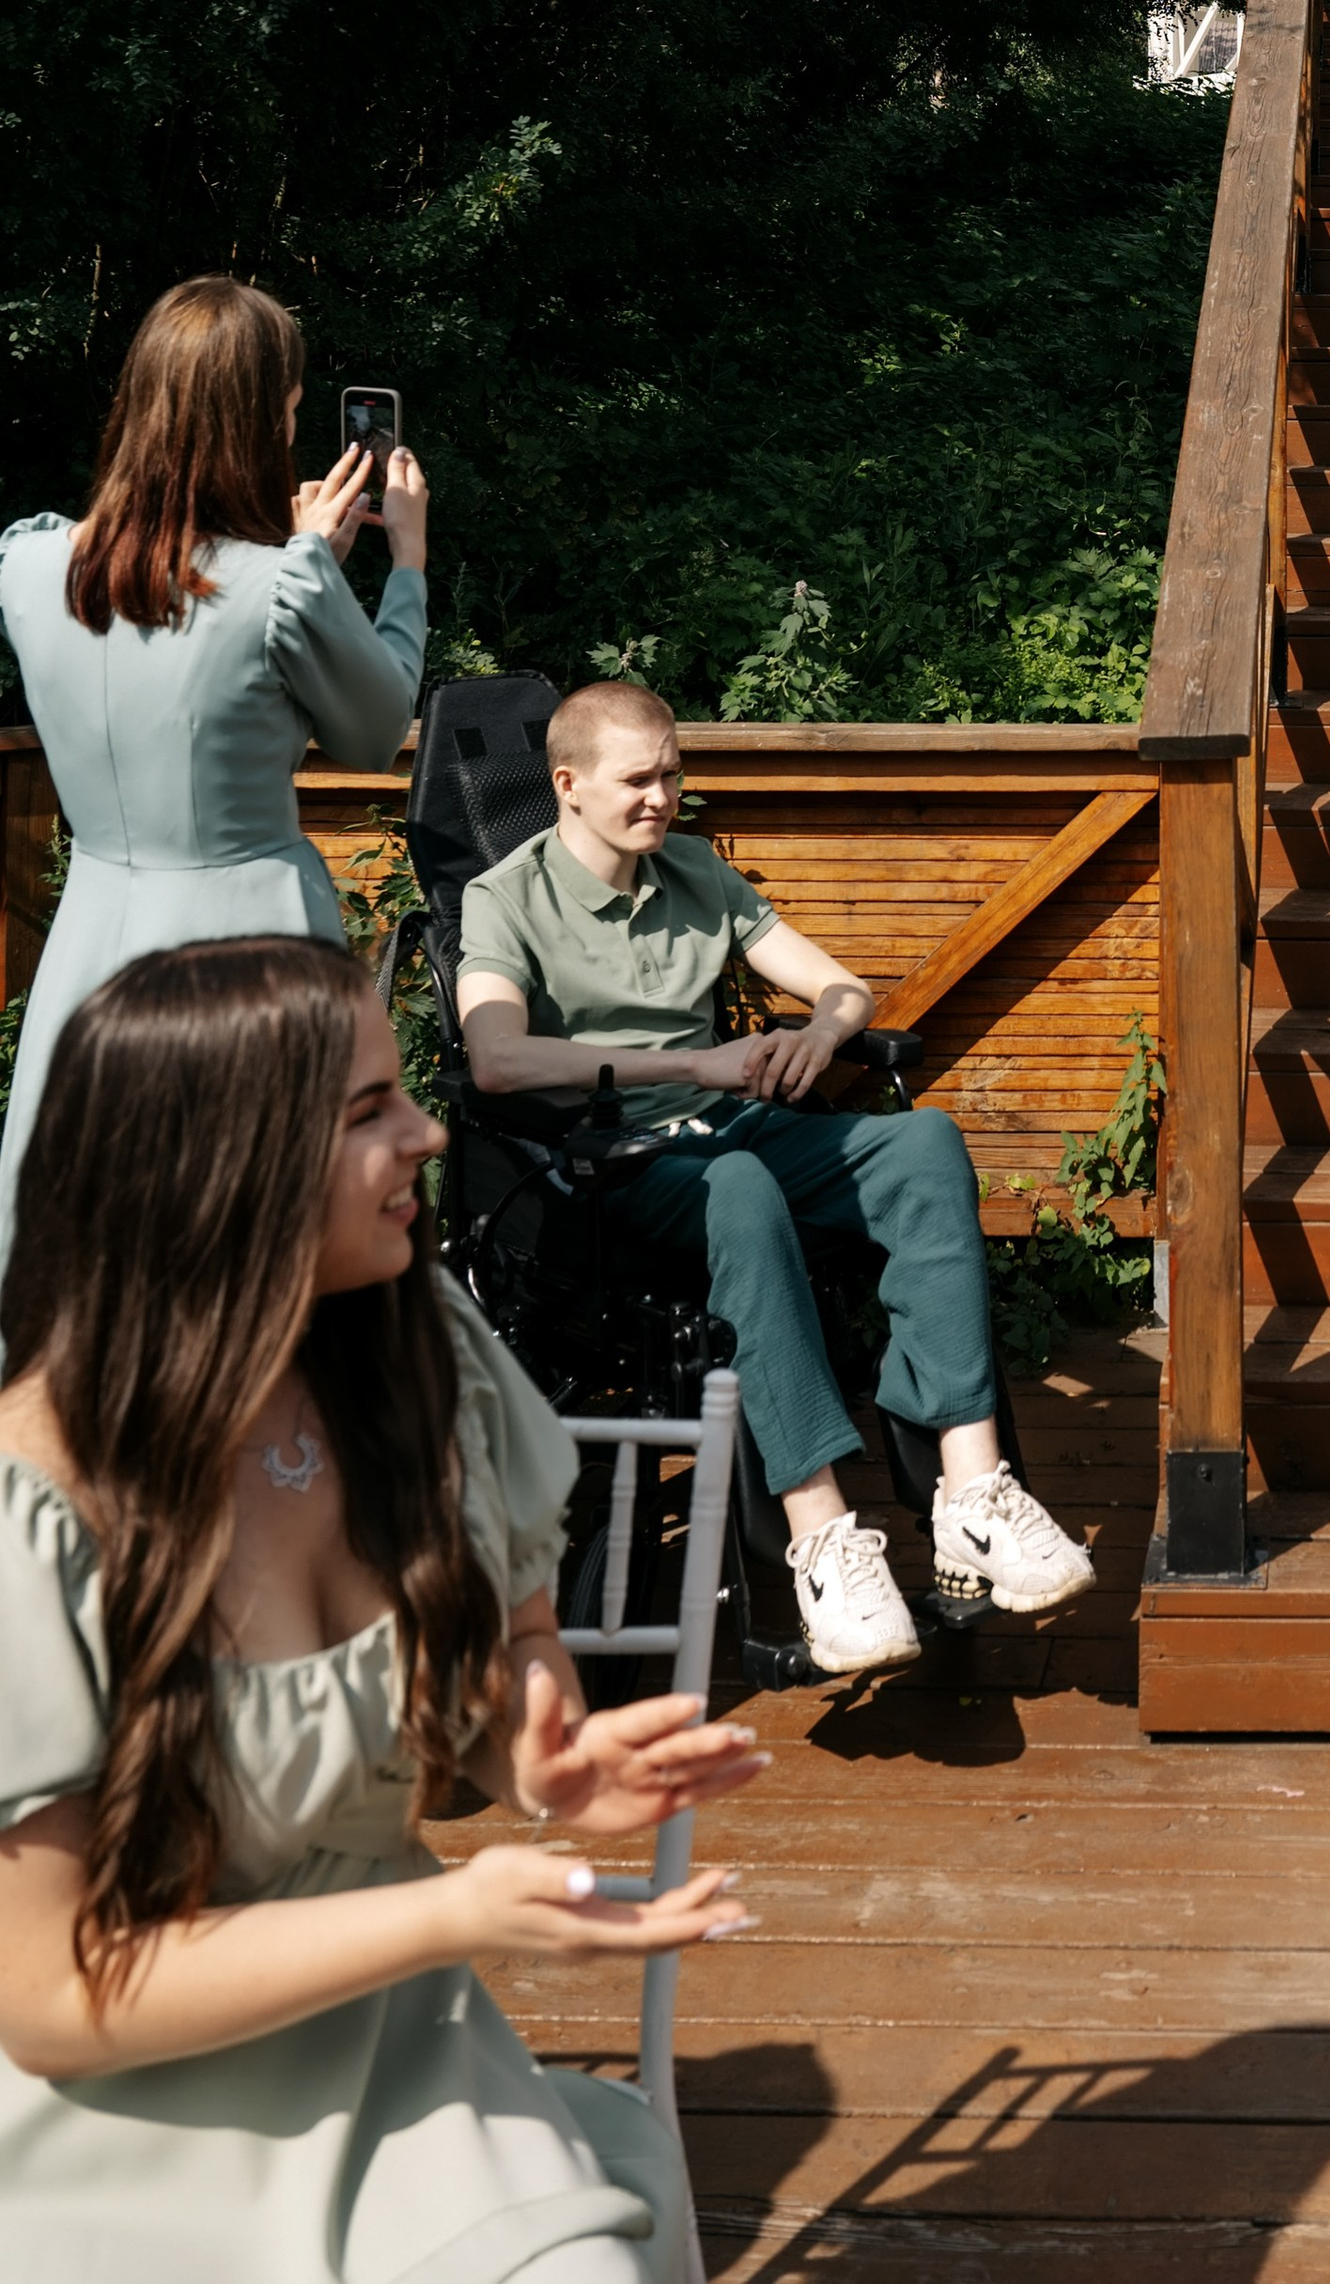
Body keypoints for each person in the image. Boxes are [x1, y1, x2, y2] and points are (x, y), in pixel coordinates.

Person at [0, 937, 762, 2284]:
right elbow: (56, 2001)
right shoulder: (32, 1511)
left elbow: (512, 1651)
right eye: (367, 1111)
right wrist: (454, 1915)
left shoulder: (425, 1360)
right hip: (108, 2118)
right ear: (218, 1168)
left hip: (395, 2049)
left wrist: (544, 1753)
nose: (425, 1133)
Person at [455, 680, 1095, 1685]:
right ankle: (823, 1540)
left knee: (922, 1141)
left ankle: (971, 1495)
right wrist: (692, 1065)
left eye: (671, 773)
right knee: (742, 1183)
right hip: (602, 1167)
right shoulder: (506, 895)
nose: (662, 796)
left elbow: (842, 984)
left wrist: (823, 1032)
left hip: (732, 1128)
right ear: (567, 784)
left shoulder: (697, 873)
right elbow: (493, 1057)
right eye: (638, 779)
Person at [0, 278, 430, 1265]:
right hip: (252, 942)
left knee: (95, 1223)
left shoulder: (27, 567)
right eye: (286, 407)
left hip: (91, 944)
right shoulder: (283, 584)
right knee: (253, 1226)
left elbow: (169, 587)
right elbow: (375, 728)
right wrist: (400, 561)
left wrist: (298, 555)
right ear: (257, 417)